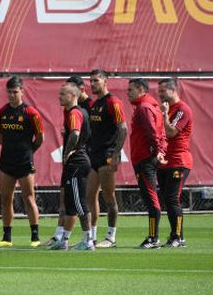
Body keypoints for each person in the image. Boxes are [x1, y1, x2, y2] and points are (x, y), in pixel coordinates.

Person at [0, 76, 43, 247]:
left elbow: (39, 138)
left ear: (22, 91)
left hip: (25, 162)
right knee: (5, 199)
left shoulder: (31, 113)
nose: (11, 95)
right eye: (9, 92)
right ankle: (7, 237)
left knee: (28, 197)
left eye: (15, 92)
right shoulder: (2, 112)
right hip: (7, 162)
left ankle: (35, 237)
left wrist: (28, 151)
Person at [48, 82, 94, 250]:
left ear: (73, 96)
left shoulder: (75, 112)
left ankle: (88, 240)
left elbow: (75, 133)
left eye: (63, 94)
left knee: (79, 202)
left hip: (77, 162)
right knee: (71, 203)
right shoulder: (77, 112)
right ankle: (65, 240)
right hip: (78, 161)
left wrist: (67, 152)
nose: (59, 97)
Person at [85, 69, 128, 248]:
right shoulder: (95, 104)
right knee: (89, 197)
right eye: (91, 81)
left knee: (109, 198)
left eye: (96, 80)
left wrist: (116, 153)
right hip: (93, 156)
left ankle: (111, 237)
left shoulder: (113, 102)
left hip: (107, 156)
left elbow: (123, 128)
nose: (93, 84)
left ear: (105, 81)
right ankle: (92, 236)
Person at [127, 78, 168, 248]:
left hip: (144, 159)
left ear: (140, 89)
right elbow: (162, 133)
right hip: (148, 157)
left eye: (130, 90)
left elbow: (152, 133)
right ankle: (153, 237)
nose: (128, 93)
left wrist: (157, 150)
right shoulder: (152, 107)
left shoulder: (143, 108)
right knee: (151, 197)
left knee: (151, 199)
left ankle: (153, 238)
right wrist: (161, 151)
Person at [157, 78, 191, 248]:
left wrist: (163, 114)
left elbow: (170, 133)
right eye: (159, 91)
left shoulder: (182, 109)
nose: (160, 94)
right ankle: (177, 237)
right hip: (165, 161)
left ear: (173, 90)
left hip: (179, 160)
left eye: (163, 91)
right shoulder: (168, 108)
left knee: (172, 199)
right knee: (168, 199)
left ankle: (177, 237)